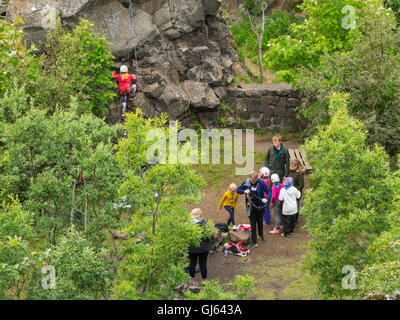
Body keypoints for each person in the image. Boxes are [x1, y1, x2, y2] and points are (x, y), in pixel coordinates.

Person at [237, 171, 271, 248]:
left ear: (256, 179)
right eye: (251, 180)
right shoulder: (246, 182)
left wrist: (266, 198)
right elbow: (238, 190)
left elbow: (269, 192)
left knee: (260, 222)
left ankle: (261, 235)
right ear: (249, 177)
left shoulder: (261, 183)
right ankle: (254, 241)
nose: (252, 182)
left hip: (260, 206)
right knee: (253, 224)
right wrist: (244, 191)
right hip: (251, 207)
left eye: (253, 181)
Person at [188, 208, 212, 284]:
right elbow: (209, 237)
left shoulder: (188, 225)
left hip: (192, 248)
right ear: (200, 215)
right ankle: (204, 280)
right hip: (203, 249)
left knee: (192, 263)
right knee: (203, 264)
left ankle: (192, 280)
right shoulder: (204, 224)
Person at [288, 159, 305, 225]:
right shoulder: (289, 171)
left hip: (296, 193)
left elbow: (301, 185)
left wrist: (295, 189)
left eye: (293, 166)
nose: (291, 167)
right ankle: (291, 218)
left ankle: (295, 219)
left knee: (296, 206)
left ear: (297, 166)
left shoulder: (298, 174)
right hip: (289, 192)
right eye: (290, 165)